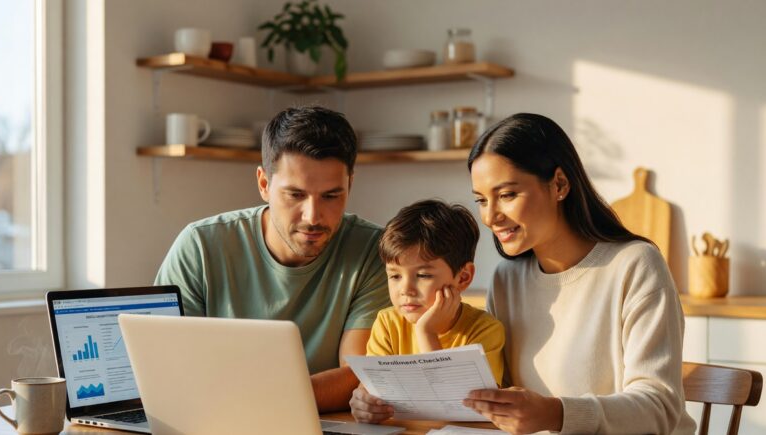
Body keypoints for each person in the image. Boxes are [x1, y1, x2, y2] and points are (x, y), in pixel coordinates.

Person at [459, 113, 696, 434]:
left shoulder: (636, 264)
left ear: (559, 184)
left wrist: (555, 413)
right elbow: (500, 395)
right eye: (481, 200)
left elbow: (659, 406)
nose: (491, 216)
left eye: (507, 195)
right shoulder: (507, 280)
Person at [154, 106, 391, 412]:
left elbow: (356, 377)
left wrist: (244, 398)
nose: (313, 216)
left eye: (331, 196)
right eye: (295, 195)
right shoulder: (199, 246)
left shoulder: (374, 250)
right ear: (264, 184)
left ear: (350, 185)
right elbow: (167, 369)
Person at [350, 199, 506, 423]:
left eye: (422, 275)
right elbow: (372, 391)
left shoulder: (485, 330)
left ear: (463, 277)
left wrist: (426, 332)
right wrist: (364, 404)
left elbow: (466, 412)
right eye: (394, 276)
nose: (405, 289)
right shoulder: (387, 323)